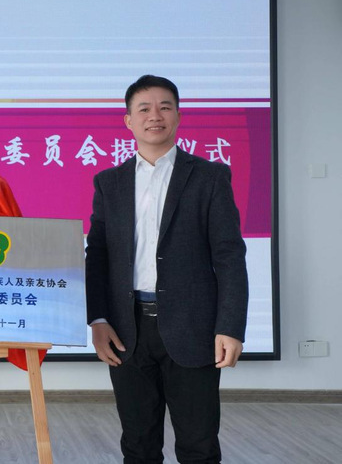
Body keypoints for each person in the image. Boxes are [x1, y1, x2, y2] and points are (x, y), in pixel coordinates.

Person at [85, 75, 248, 463]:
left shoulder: (209, 177)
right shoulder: (109, 183)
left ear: (178, 116)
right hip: (127, 329)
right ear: (128, 120)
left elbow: (229, 256)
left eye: (165, 107)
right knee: (138, 445)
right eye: (144, 108)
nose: (154, 116)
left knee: (198, 445)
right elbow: (98, 255)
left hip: (194, 327)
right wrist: (98, 319)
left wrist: (230, 326)